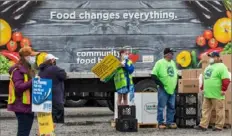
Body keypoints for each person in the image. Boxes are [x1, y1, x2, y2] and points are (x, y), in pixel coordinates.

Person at [7, 47, 39, 136]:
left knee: (25, 131)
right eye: (31, 56)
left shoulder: (28, 69)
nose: (34, 58)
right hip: (21, 106)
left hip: (27, 106)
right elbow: (19, 87)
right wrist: (33, 81)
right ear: (26, 57)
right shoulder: (17, 71)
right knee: (23, 132)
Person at [195, 52, 230, 131]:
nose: (211, 58)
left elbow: (226, 80)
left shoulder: (222, 67)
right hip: (207, 93)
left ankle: (219, 126)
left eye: (213, 57)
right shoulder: (209, 66)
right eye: (210, 57)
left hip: (217, 93)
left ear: (218, 57)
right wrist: (202, 87)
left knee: (219, 111)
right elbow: (206, 78)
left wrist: (223, 89)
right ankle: (203, 125)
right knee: (205, 110)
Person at [151, 48, 178, 129]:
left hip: (171, 89)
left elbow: (175, 74)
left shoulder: (173, 63)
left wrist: (175, 85)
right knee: (161, 107)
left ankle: (169, 122)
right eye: (171, 53)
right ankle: (160, 122)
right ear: (166, 54)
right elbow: (153, 75)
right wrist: (161, 85)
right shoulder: (159, 63)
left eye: (173, 53)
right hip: (163, 89)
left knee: (171, 107)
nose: (172, 55)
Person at [38, 54, 67, 129]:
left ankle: (46, 132)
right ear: (52, 60)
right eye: (54, 60)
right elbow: (64, 75)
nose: (55, 61)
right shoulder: (54, 69)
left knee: (47, 119)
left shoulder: (41, 70)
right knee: (55, 120)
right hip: (55, 98)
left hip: (45, 99)